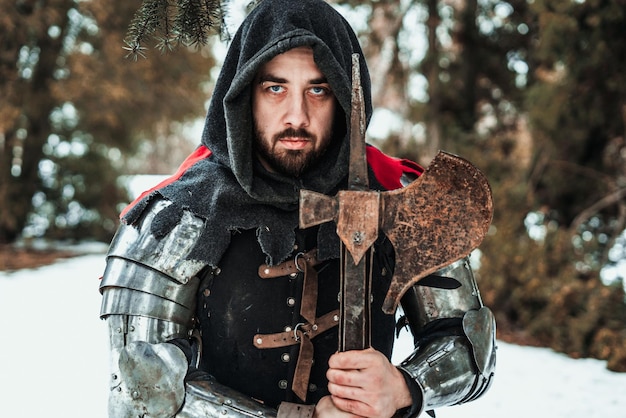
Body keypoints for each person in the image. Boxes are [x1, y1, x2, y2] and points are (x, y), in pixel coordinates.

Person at [99, 0, 496, 417]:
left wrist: (405, 387)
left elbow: (471, 346)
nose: (297, 115)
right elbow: (140, 390)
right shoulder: (178, 216)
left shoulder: (401, 199)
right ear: (242, 96)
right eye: (276, 88)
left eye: (318, 89)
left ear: (344, 97)